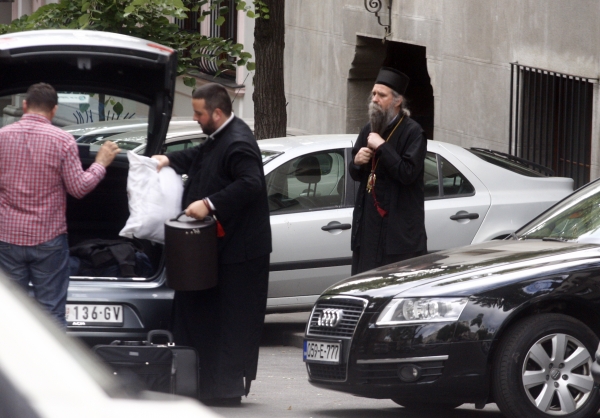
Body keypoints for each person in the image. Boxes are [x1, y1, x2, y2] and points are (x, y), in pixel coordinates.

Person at [152, 83, 272, 406]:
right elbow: (198, 157)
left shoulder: (239, 142)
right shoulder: (220, 136)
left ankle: (225, 389)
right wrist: (168, 160)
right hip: (221, 251)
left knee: (230, 324)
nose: (195, 118)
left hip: (241, 254)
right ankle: (203, 385)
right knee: (207, 319)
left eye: (198, 113)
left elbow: (251, 183)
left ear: (217, 113)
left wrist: (208, 204)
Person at [0, 82, 120, 327]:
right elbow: (78, 188)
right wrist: (100, 163)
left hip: (8, 238)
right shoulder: (63, 140)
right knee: (51, 315)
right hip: (48, 240)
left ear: (25, 105)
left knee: (10, 315)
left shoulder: (2, 137)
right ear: (54, 110)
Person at [349, 67, 427, 275]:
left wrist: (382, 146)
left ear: (397, 101)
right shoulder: (368, 129)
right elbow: (355, 173)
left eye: (381, 95)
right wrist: (357, 161)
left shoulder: (413, 133)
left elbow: (407, 173)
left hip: (398, 236)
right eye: (373, 94)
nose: (375, 99)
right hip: (368, 231)